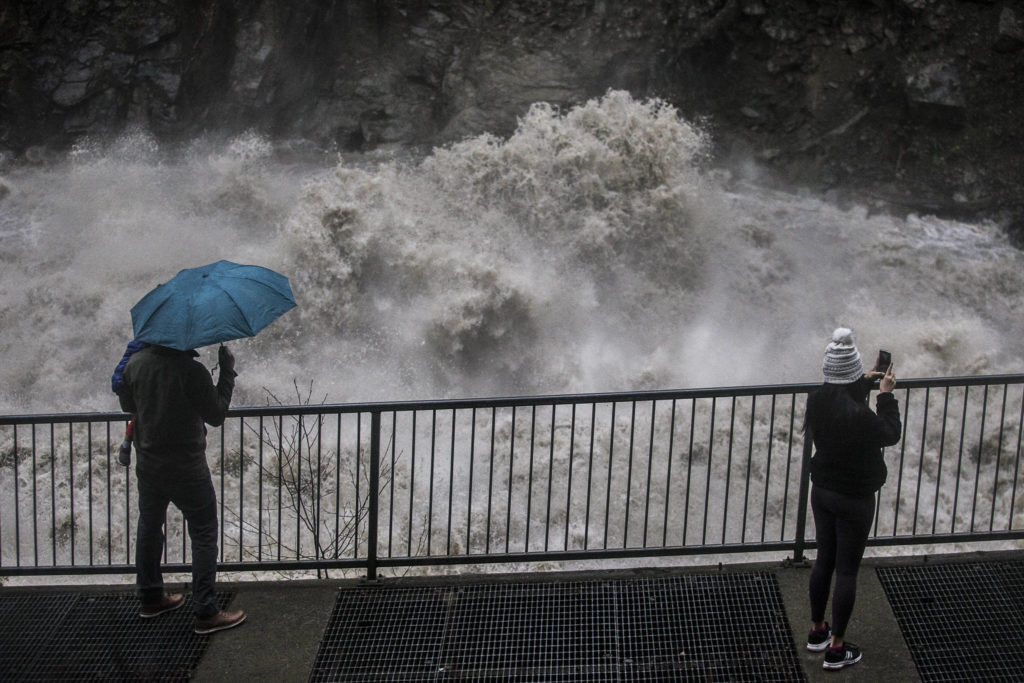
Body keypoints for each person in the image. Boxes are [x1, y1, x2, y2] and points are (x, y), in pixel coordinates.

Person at [116, 343, 247, 634]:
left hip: (148, 463)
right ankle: (205, 611)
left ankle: (151, 597)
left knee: (149, 526)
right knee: (203, 532)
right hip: (186, 466)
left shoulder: (135, 364)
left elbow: (129, 406)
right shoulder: (191, 371)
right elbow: (215, 415)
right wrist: (227, 373)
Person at [803, 327, 900, 671]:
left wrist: (863, 382)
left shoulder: (817, 401)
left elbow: (839, 395)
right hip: (855, 498)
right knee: (847, 571)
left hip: (823, 491)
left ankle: (817, 631)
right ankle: (837, 648)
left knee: (823, 560)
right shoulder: (861, 417)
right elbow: (890, 434)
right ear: (852, 372)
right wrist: (885, 395)